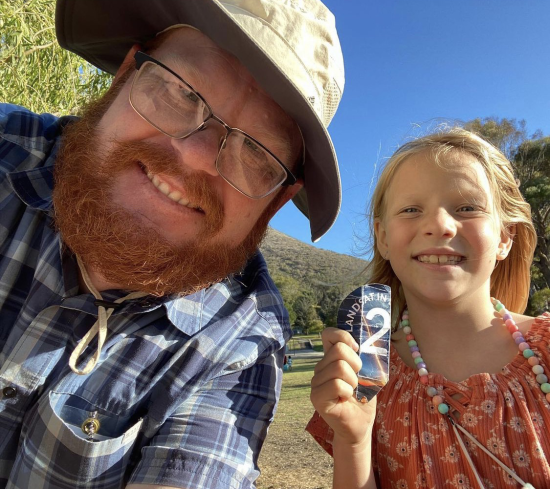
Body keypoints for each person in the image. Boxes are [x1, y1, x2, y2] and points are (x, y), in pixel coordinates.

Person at [0, 0, 345, 487]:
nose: (197, 155)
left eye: (257, 150)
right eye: (183, 91)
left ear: (274, 203)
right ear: (124, 77)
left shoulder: (239, 344)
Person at [307, 128, 550, 489]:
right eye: (410, 209)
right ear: (383, 237)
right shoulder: (367, 381)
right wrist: (353, 441)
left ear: (504, 237)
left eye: (467, 207)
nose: (439, 225)